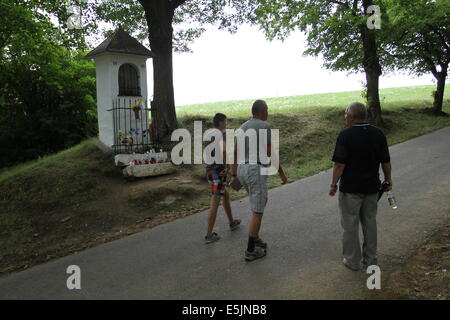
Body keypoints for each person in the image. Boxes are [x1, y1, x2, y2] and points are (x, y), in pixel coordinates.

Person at [329, 102, 392, 271]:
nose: (344, 117)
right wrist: (388, 179)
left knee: (350, 225)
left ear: (352, 116)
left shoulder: (345, 135)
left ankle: (352, 261)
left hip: (351, 189)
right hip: (372, 188)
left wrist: (333, 184)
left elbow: (339, 164)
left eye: (345, 114)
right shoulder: (378, 133)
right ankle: (371, 260)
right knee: (370, 223)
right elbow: (386, 160)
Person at [231, 100, 287, 261]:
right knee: (258, 209)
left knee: (257, 204)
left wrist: (234, 175)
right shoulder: (265, 126)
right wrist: (281, 173)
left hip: (242, 169)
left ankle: (254, 237)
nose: (268, 113)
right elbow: (270, 153)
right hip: (255, 169)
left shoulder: (242, 128)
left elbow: (235, 153)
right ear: (262, 112)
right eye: (267, 110)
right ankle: (250, 250)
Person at [205, 113, 241, 244]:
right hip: (217, 173)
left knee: (224, 195)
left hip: (209, 171)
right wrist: (227, 167)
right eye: (225, 122)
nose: (226, 124)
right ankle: (209, 234)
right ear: (220, 123)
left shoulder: (208, 134)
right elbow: (225, 151)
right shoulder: (220, 134)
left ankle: (232, 222)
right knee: (215, 202)